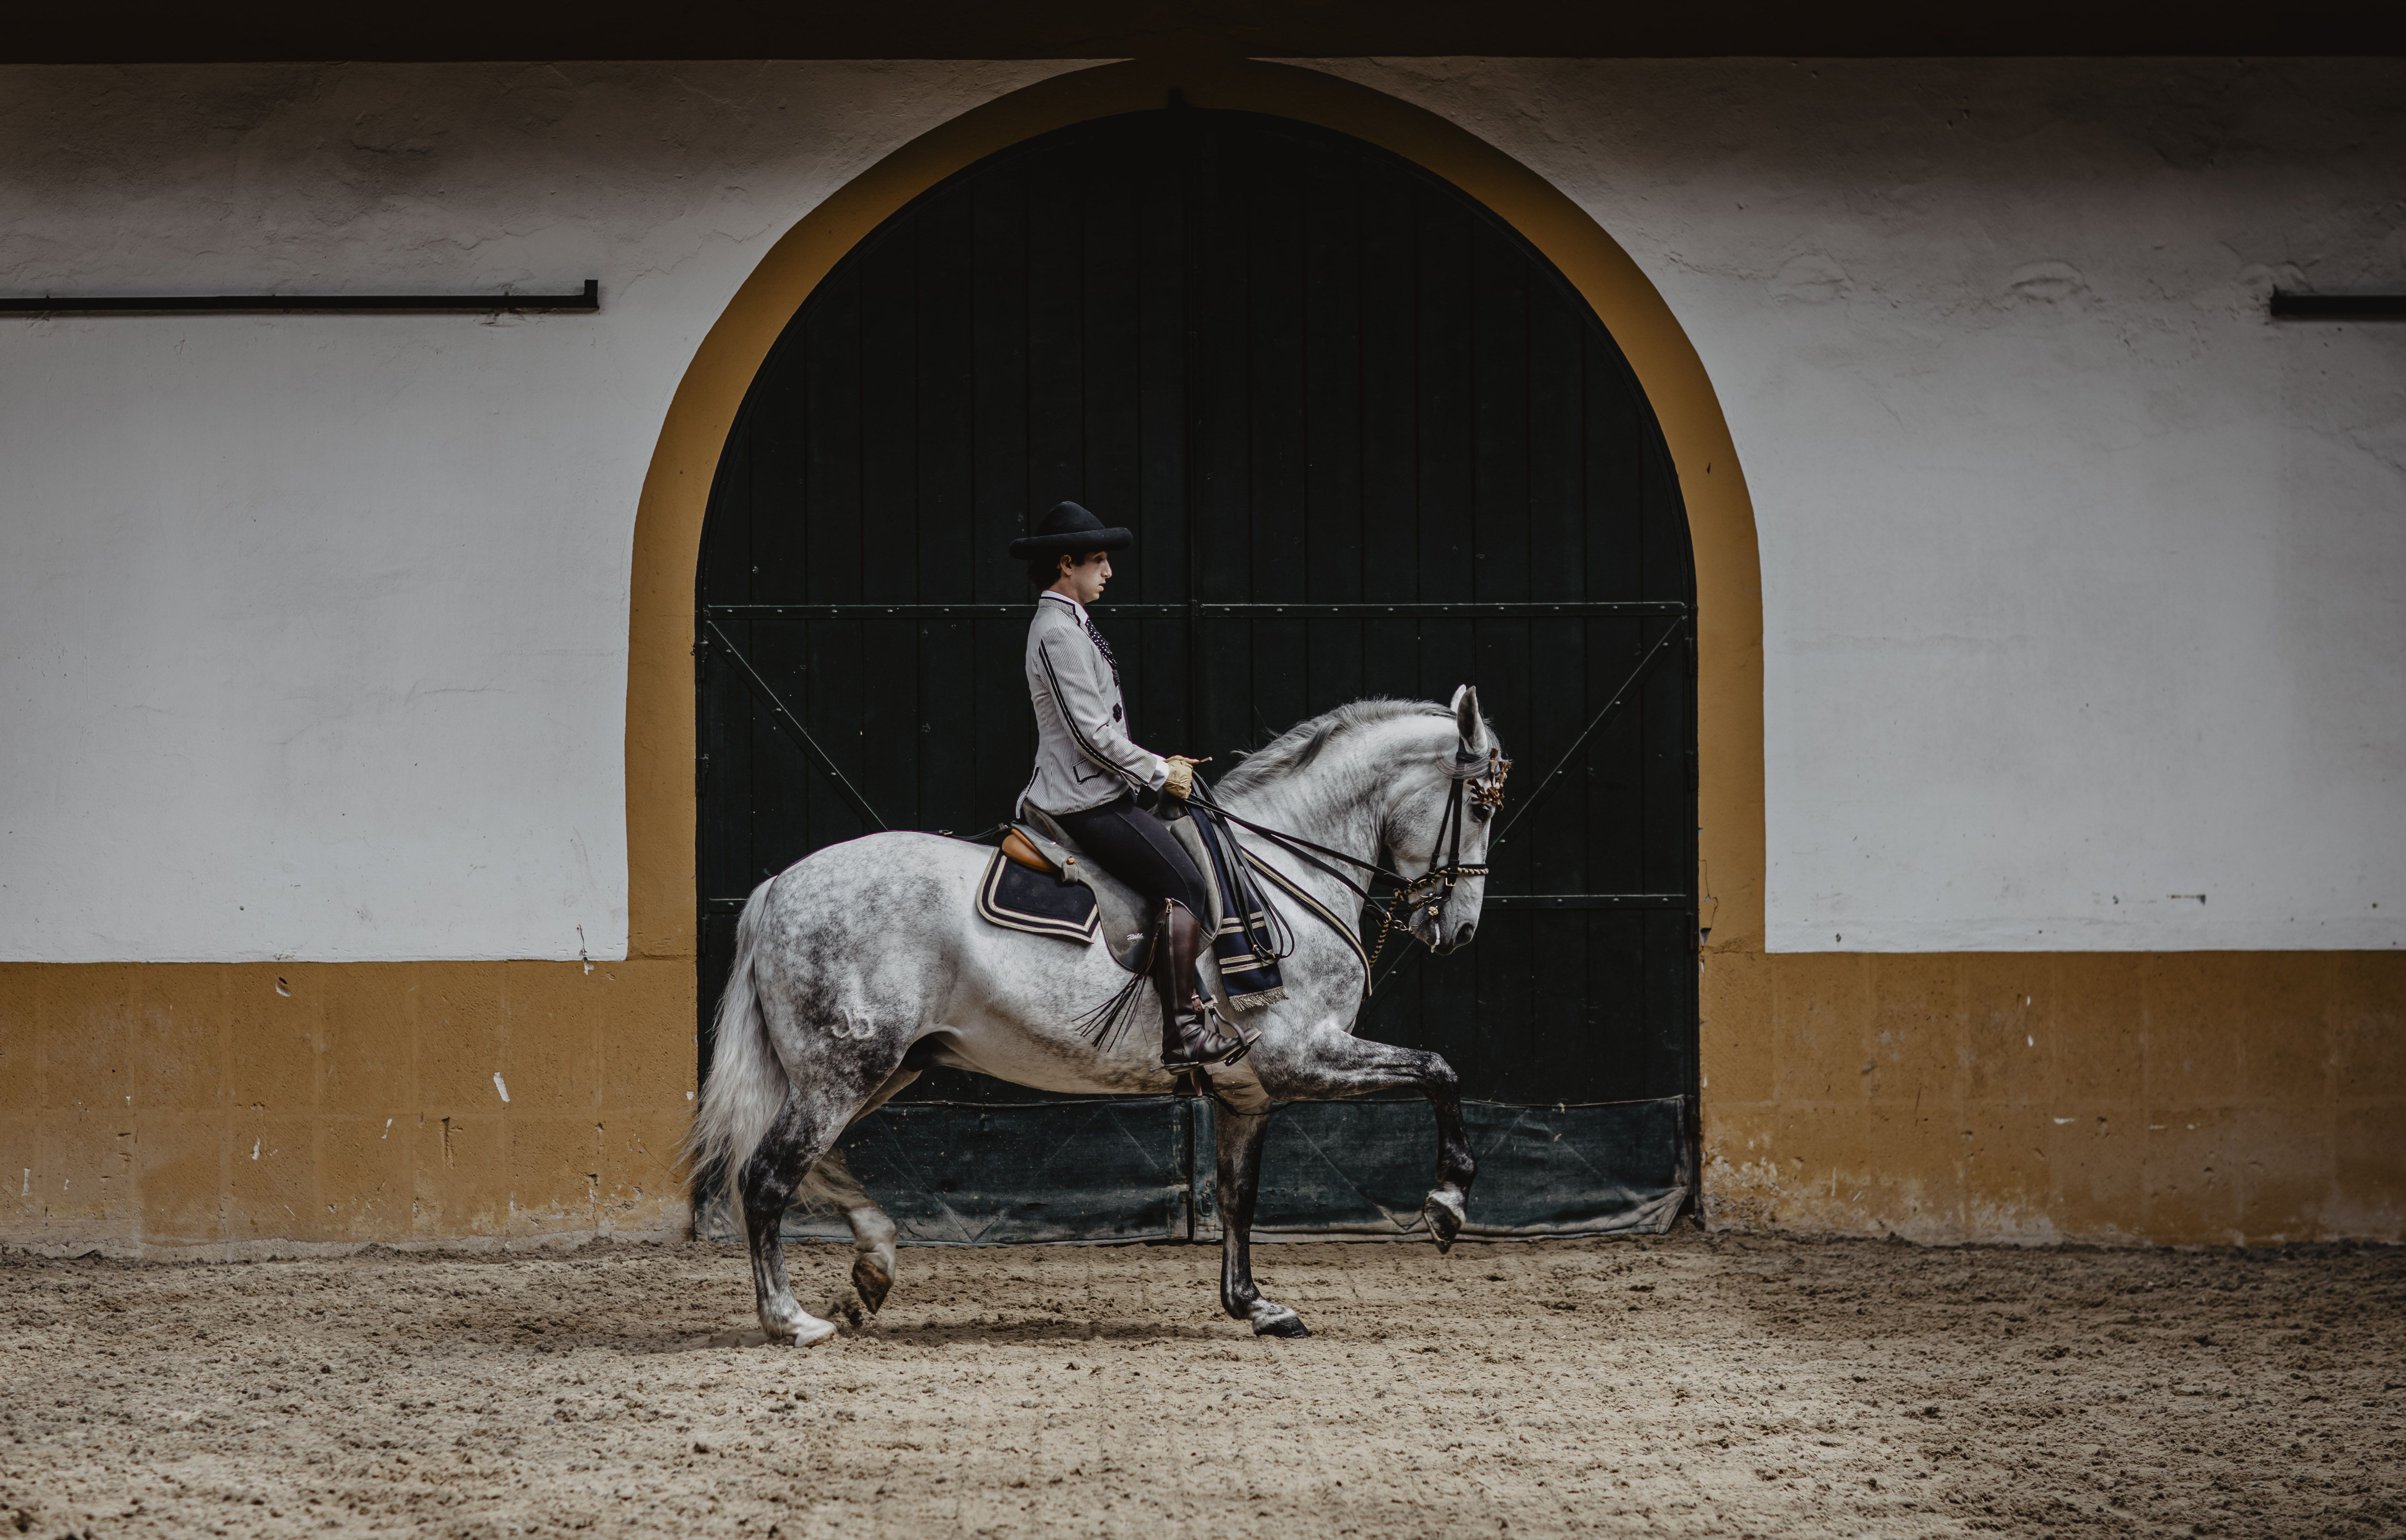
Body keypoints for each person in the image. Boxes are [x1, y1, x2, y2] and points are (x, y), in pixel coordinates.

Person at [1010, 501, 1249, 1071]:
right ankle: (1183, 1032)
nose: (1108, 572)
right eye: (1098, 561)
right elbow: (1091, 735)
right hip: (1083, 800)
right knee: (1187, 885)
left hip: (1098, 790)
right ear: (1065, 565)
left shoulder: (1070, 623)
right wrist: (1160, 771)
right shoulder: (1057, 632)